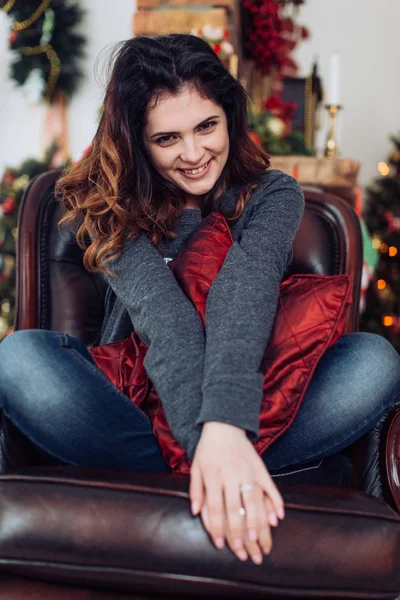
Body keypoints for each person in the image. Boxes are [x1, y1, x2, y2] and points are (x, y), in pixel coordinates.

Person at [0, 34, 400, 568]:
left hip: (251, 403)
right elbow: (166, 322)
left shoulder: (272, 194)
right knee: (21, 359)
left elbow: (244, 295)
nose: (193, 154)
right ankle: (234, 471)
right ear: (138, 141)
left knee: (373, 361)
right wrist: (215, 441)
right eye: (167, 138)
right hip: (137, 408)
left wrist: (226, 426)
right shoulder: (106, 201)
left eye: (206, 126)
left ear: (229, 116)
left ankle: (209, 464)